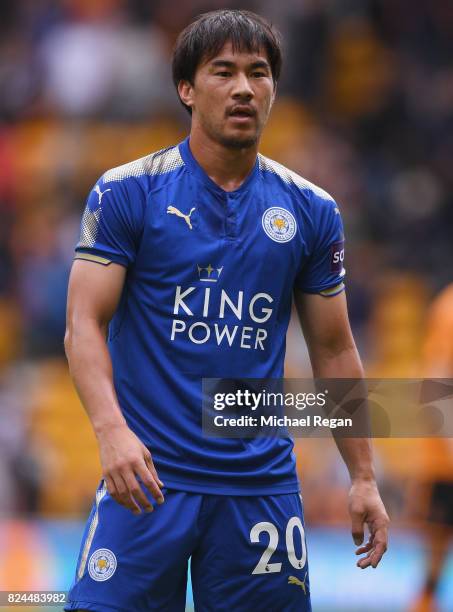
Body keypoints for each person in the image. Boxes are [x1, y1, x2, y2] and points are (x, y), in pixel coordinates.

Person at [64, 9, 389, 612]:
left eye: (259, 73)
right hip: (148, 482)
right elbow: (84, 323)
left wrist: (363, 475)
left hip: (258, 488)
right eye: (224, 72)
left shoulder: (312, 211)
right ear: (186, 89)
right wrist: (111, 434)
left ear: (273, 90)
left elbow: (335, 349)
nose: (244, 87)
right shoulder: (127, 191)